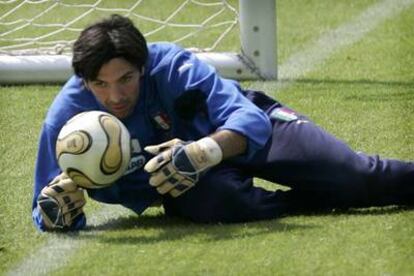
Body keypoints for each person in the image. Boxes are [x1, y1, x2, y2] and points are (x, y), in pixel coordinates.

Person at [32, 14, 414, 232]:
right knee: (220, 202)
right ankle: (311, 198)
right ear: (84, 81)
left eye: (125, 79)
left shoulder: (171, 66)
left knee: (352, 176)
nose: (115, 96)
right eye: (100, 84)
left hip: (242, 134)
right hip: (187, 184)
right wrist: (56, 213)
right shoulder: (65, 124)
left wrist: (202, 151)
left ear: (143, 68)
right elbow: (46, 206)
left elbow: (248, 119)